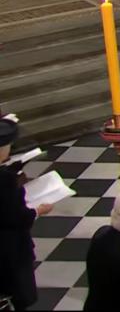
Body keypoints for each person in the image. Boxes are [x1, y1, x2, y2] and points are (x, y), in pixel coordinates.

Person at [0, 112, 52, 311]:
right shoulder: (4, 181)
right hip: (8, 249)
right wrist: (37, 211)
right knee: (17, 295)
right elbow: (15, 217)